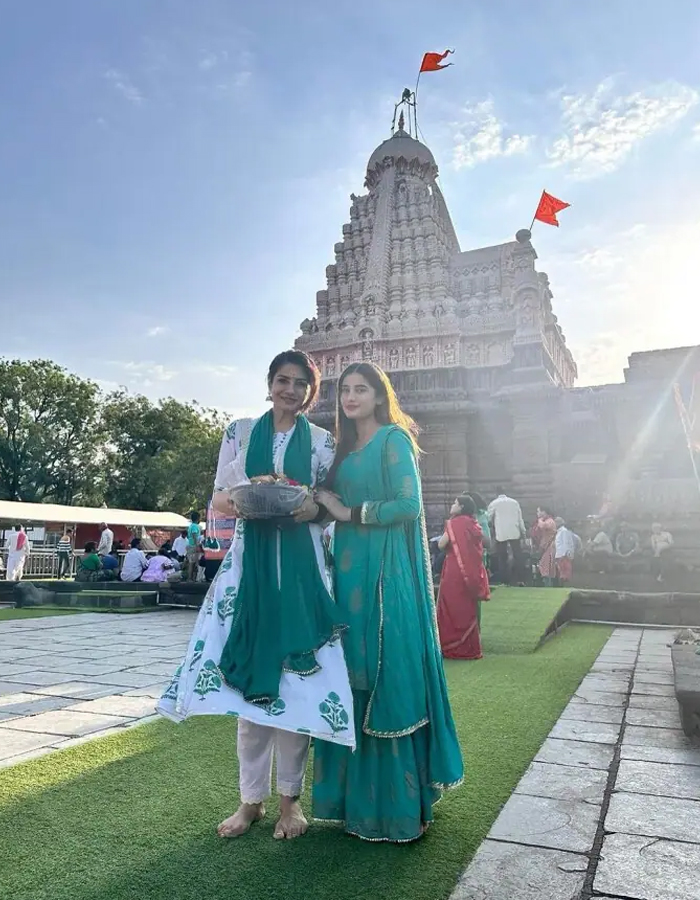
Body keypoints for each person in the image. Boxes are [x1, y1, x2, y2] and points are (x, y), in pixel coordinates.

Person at [157, 349, 351, 843]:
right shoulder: (240, 432)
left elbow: (327, 507)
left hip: (304, 572)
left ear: (311, 391)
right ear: (269, 384)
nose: (290, 390)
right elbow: (221, 498)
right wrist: (253, 490)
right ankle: (250, 802)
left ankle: (291, 804)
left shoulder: (325, 444)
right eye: (282, 380)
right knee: (248, 697)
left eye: (300, 383)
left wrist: (305, 502)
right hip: (249, 573)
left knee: (297, 692)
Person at [314, 362, 463, 843]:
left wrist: (349, 511)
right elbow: (326, 505)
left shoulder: (393, 440)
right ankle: (353, 806)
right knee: (351, 673)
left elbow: (409, 505)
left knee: (385, 673)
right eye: (345, 390)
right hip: (348, 575)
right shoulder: (345, 449)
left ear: (380, 397)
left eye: (362, 389)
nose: (351, 397)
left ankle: (402, 806)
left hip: (385, 573)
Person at [437, 493, 490, 660]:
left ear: (461, 507)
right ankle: (470, 649)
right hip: (471, 571)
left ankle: (450, 646)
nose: (452, 505)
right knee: (466, 607)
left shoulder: (455, 524)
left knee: (451, 606)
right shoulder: (474, 524)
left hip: (454, 570)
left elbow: (441, 544)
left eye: (455, 502)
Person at [487, 488, 526, 585]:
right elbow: (520, 519)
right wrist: (523, 532)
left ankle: (505, 581)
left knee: (502, 557)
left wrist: (492, 526)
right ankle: (520, 579)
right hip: (514, 531)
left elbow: (489, 518)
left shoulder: (494, 503)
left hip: (501, 532)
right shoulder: (514, 502)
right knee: (518, 556)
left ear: (496, 494)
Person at [531, 507, 558, 587]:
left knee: (546, 567)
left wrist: (540, 519)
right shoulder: (546, 521)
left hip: (549, 547)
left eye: (538, 511)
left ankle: (548, 586)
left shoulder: (550, 521)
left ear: (544, 512)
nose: (537, 513)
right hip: (545, 547)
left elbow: (543, 526)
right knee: (545, 567)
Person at [554, 518, 578, 584]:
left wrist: (565, 553)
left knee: (565, 569)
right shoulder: (559, 531)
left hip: (563, 554)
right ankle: (562, 580)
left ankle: (566, 581)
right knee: (561, 569)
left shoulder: (564, 531)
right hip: (559, 553)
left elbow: (566, 543)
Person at [185, 512, 202, 581]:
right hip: (193, 546)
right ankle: (190, 578)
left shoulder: (191, 526)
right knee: (193, 563)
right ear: (198, 518)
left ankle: (191, 578)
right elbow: (195, 536)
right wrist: (197, 546)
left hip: (190, 545)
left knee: (191, 562)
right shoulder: (195, 526)